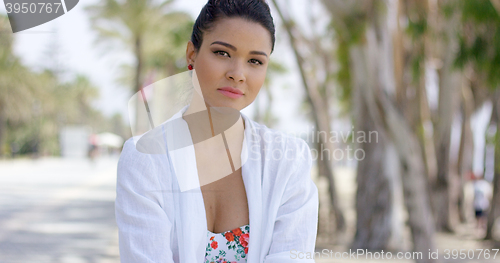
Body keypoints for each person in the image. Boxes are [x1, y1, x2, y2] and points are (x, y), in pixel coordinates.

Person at [115, 0, 319, 262]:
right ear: (191, 54)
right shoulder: (146, 157)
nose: (238, 74)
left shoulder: (288, 159)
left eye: (255, 61)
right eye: (223, 53)